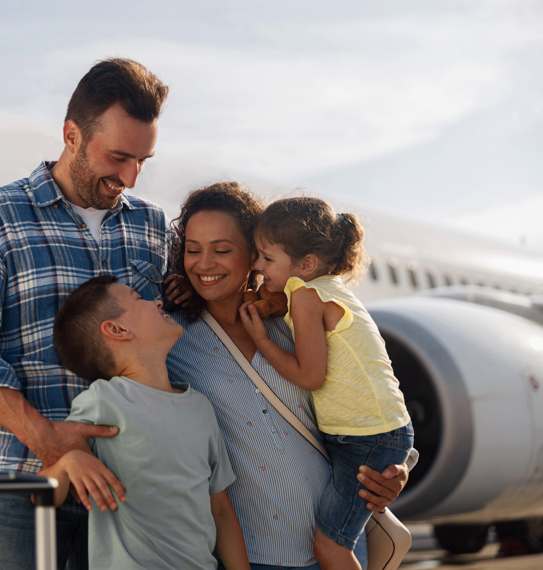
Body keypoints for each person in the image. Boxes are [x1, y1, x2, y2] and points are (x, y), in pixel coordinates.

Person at [0, 58, 174, 570]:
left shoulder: (153, 228)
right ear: (71, 135)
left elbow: (186, 340)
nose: (130, 177)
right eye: (118, 157)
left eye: (143, 160)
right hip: (22, 486)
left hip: (133, 498)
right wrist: (44, 437)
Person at [165, 183, 416, 570]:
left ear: (254, 255)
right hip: (254, 555)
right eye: (193, 250)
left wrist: (396, 471)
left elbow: (367, 403)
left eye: (222, 249)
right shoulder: (174, 340)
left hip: (338, 551)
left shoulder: (296, 325)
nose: (203, 264)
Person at [240, 196, 414, 570]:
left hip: (366, 436)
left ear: (306, 264)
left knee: (330, 547)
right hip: (376, 430)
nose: (256, 266)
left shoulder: (305, 296)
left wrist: (262, 340)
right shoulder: (325, 289)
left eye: (267, 258)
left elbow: (309, 375)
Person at [39, 274, 250, 570]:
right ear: (117, 329)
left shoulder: (200, 407)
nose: (158, 301)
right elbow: (41, 494)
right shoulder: (102, 401)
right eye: (140, 299)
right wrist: (68, 463)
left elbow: (222, 511)